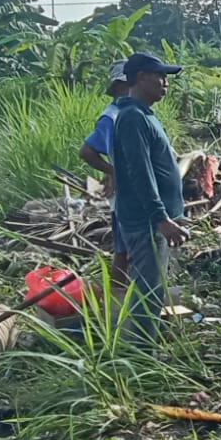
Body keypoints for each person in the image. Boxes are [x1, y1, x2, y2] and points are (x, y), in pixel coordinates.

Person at [110, 52, 190, 340]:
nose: (165, 83)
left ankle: (142, 346)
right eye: (160, 76)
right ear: (141, 77)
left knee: (151, 286)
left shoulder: (142, 115)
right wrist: (161, 218)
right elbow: (140, 173)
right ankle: (140, 352)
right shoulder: (132, 117)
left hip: (152, 220)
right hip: (145, 221)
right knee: (148, 289)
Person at [78, 59, 131, 286]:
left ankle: (124, 297)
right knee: (124, 249)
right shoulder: (112, 117)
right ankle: (118, 297)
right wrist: (113, 171)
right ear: (119, 87)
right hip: (127, 195)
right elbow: (87, 151)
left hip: (133, 191)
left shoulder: (131, 112)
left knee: (128, 249)